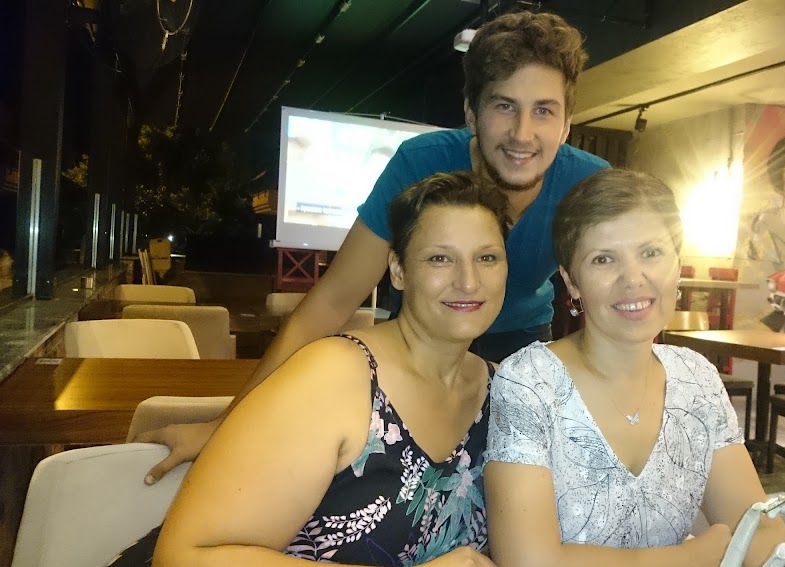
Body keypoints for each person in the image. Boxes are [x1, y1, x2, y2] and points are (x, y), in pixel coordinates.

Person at [135, 9, 609, 484]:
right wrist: (225, 426)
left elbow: (617, 303)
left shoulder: (590, 185)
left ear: (566, 124)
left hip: (520, 341)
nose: (523, 133)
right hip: (420, 332)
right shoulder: (420, 164)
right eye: (504, 106)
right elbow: (332, 301)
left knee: (515, 474)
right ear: (471, 113)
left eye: (544, 110)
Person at [102, 172, 508, 567]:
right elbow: (181, 564)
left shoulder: (506, 394)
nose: (468, 281)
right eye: (440, 258)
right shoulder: (335, 377)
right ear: (398, 271)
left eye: (487, 258)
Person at [483, 169, 785, 567]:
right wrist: (686, 561)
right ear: (572, 281)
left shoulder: (696, 378)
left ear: (678, 264)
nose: (632, 279)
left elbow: (757, 528)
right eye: (603, 259)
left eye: (651, 252)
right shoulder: (530, 382)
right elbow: (529, 566)